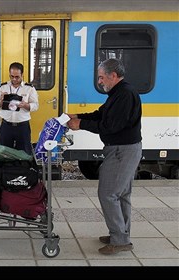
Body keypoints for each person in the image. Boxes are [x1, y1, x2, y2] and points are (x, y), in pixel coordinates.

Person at [66, 58, 142, 255]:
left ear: (113, 75)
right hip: (124, 149)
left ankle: (120, 240)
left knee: (108, 194)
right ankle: (121, 235)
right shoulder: (118, 93)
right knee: (122, 195)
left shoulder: (124, 95)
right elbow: (101, 115)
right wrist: (78, 116)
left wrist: (80, 125)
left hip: (121, 151)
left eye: (101, 77)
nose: (99, 81)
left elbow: (110, 126)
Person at [0, 62, 39, 154]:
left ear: (22, 75)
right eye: (12, 76)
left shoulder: (29, 88)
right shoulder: (3, 87)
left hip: (22, 127)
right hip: (6, 126)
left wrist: (26, 105)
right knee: (5, 153)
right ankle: (6, 168)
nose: (14, 79)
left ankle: (23, 168)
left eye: (17, 77)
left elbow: (36, 105)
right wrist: (0, 101)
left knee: (24, 153)